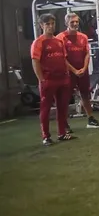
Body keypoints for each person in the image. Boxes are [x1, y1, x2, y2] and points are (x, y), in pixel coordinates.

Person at [31, 13, 73, 146]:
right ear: (41, 25)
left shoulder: (59, 41)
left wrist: (67, 74)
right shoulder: (38, 42)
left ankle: (62, 133)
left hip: (62, 79)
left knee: (63, 107)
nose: (50, 26)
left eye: (52, 23)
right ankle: (46, 136)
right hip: (48, 80)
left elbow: (63, 59)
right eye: (47, 24)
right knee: (46, 108)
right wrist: (41, 79)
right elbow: (35, 62)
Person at [57, 13, 99, 130]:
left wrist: (83, 68)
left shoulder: (83, 37)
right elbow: (62, 58)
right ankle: (64, 123)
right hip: (68, 72)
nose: (75, 24)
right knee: (65, 98)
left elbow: (87, 53)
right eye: (72, 22)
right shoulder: (61, 38)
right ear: (66, 23)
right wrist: (74, 70)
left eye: (77, 21)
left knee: (85, 95)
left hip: (82, 71)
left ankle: (91, 119)